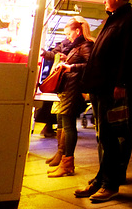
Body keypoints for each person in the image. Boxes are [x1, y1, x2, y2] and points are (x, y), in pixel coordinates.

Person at [74, 0, 132, 203]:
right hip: (102, 87)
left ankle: (111, 183)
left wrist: (123, 84)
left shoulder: (131, 22)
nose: (104, 0)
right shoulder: (115, 19)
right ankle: (101, 179)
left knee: (113, 136)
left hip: (113, 89)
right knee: (104, 136)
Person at [47, 17, 94, 177]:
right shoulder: (78, 45)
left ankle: (67, 163)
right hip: (68, 89)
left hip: (73, 91)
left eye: (69, 33)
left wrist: (71, 66)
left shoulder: (85, 44)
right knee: (65, 124)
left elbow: (91, 66)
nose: (67, 37)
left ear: (77, 31)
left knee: (68, 126)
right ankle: (63, 160)